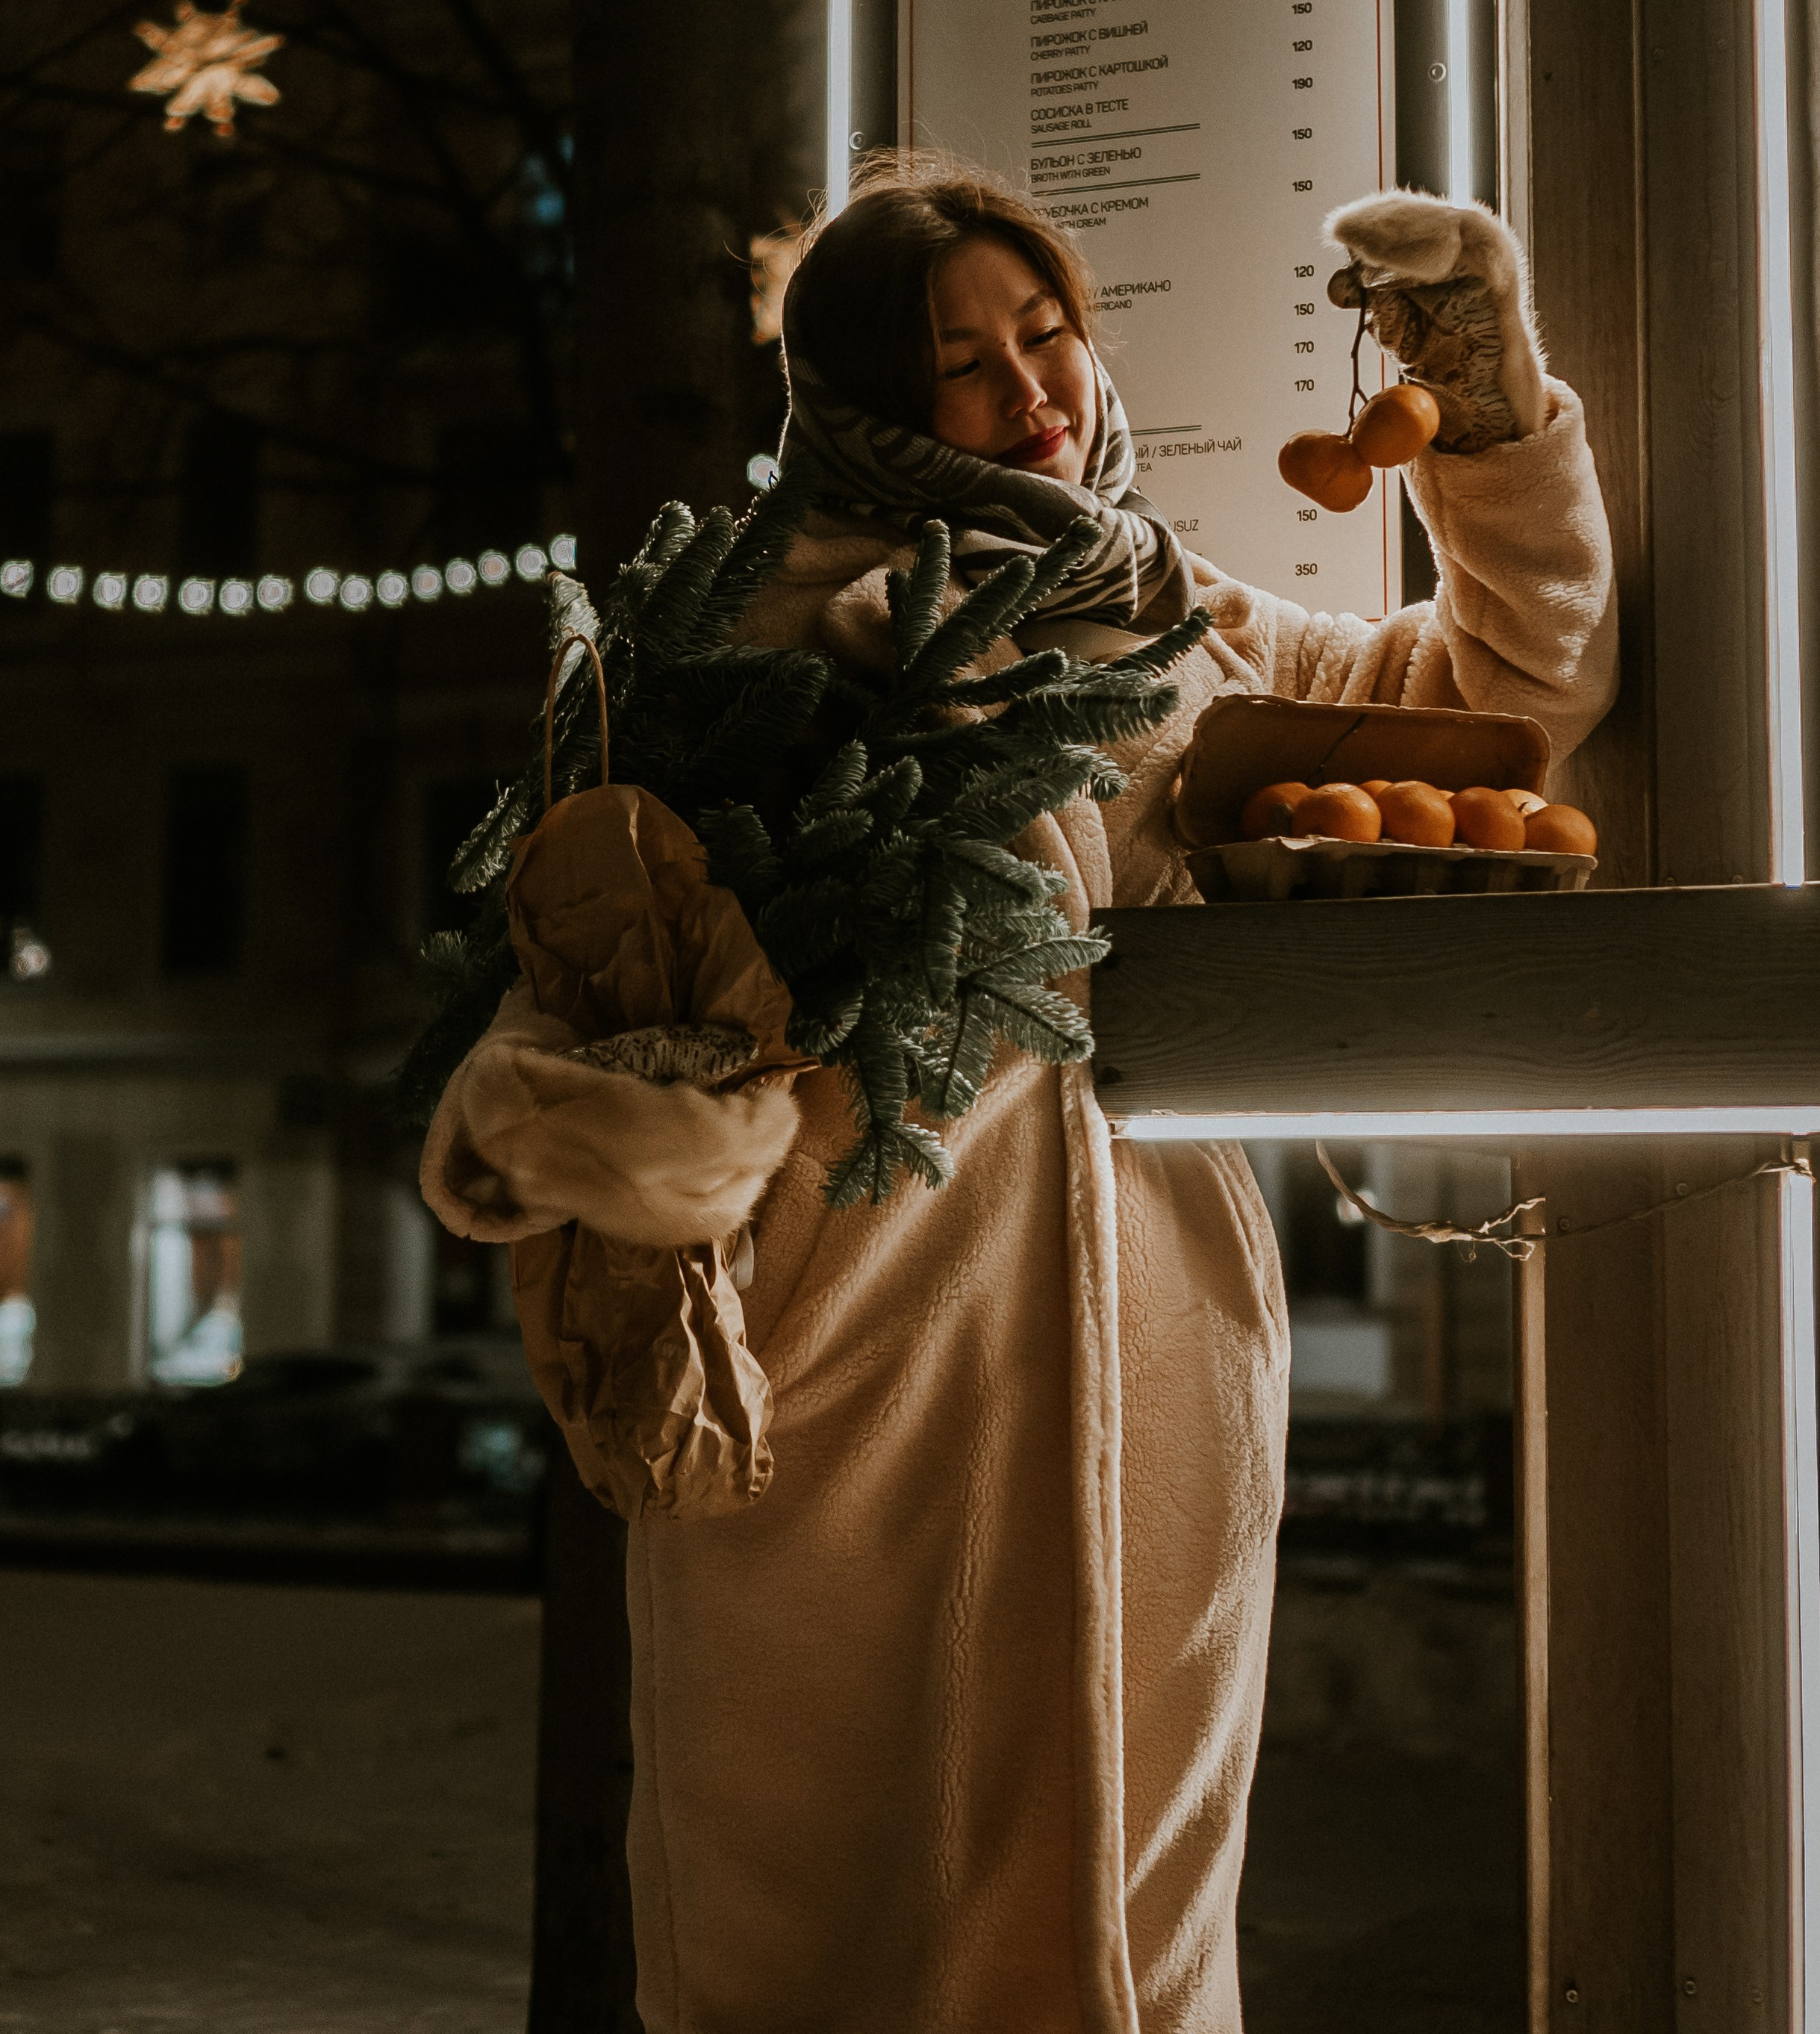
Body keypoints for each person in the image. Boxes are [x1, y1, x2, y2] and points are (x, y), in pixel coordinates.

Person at [433, 155, 1617, 2034]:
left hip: (1158, 1329)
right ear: (865, 402)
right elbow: (597, 951)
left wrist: (1472, 392)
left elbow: (1505, 696)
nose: (1031, 388)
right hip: (851, 1323)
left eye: (1044, 331)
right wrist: (606, 1128)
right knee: (828, 1884)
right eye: (961, 362)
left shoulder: (1166, 610)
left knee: (1135, 1882)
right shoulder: (755, 639)